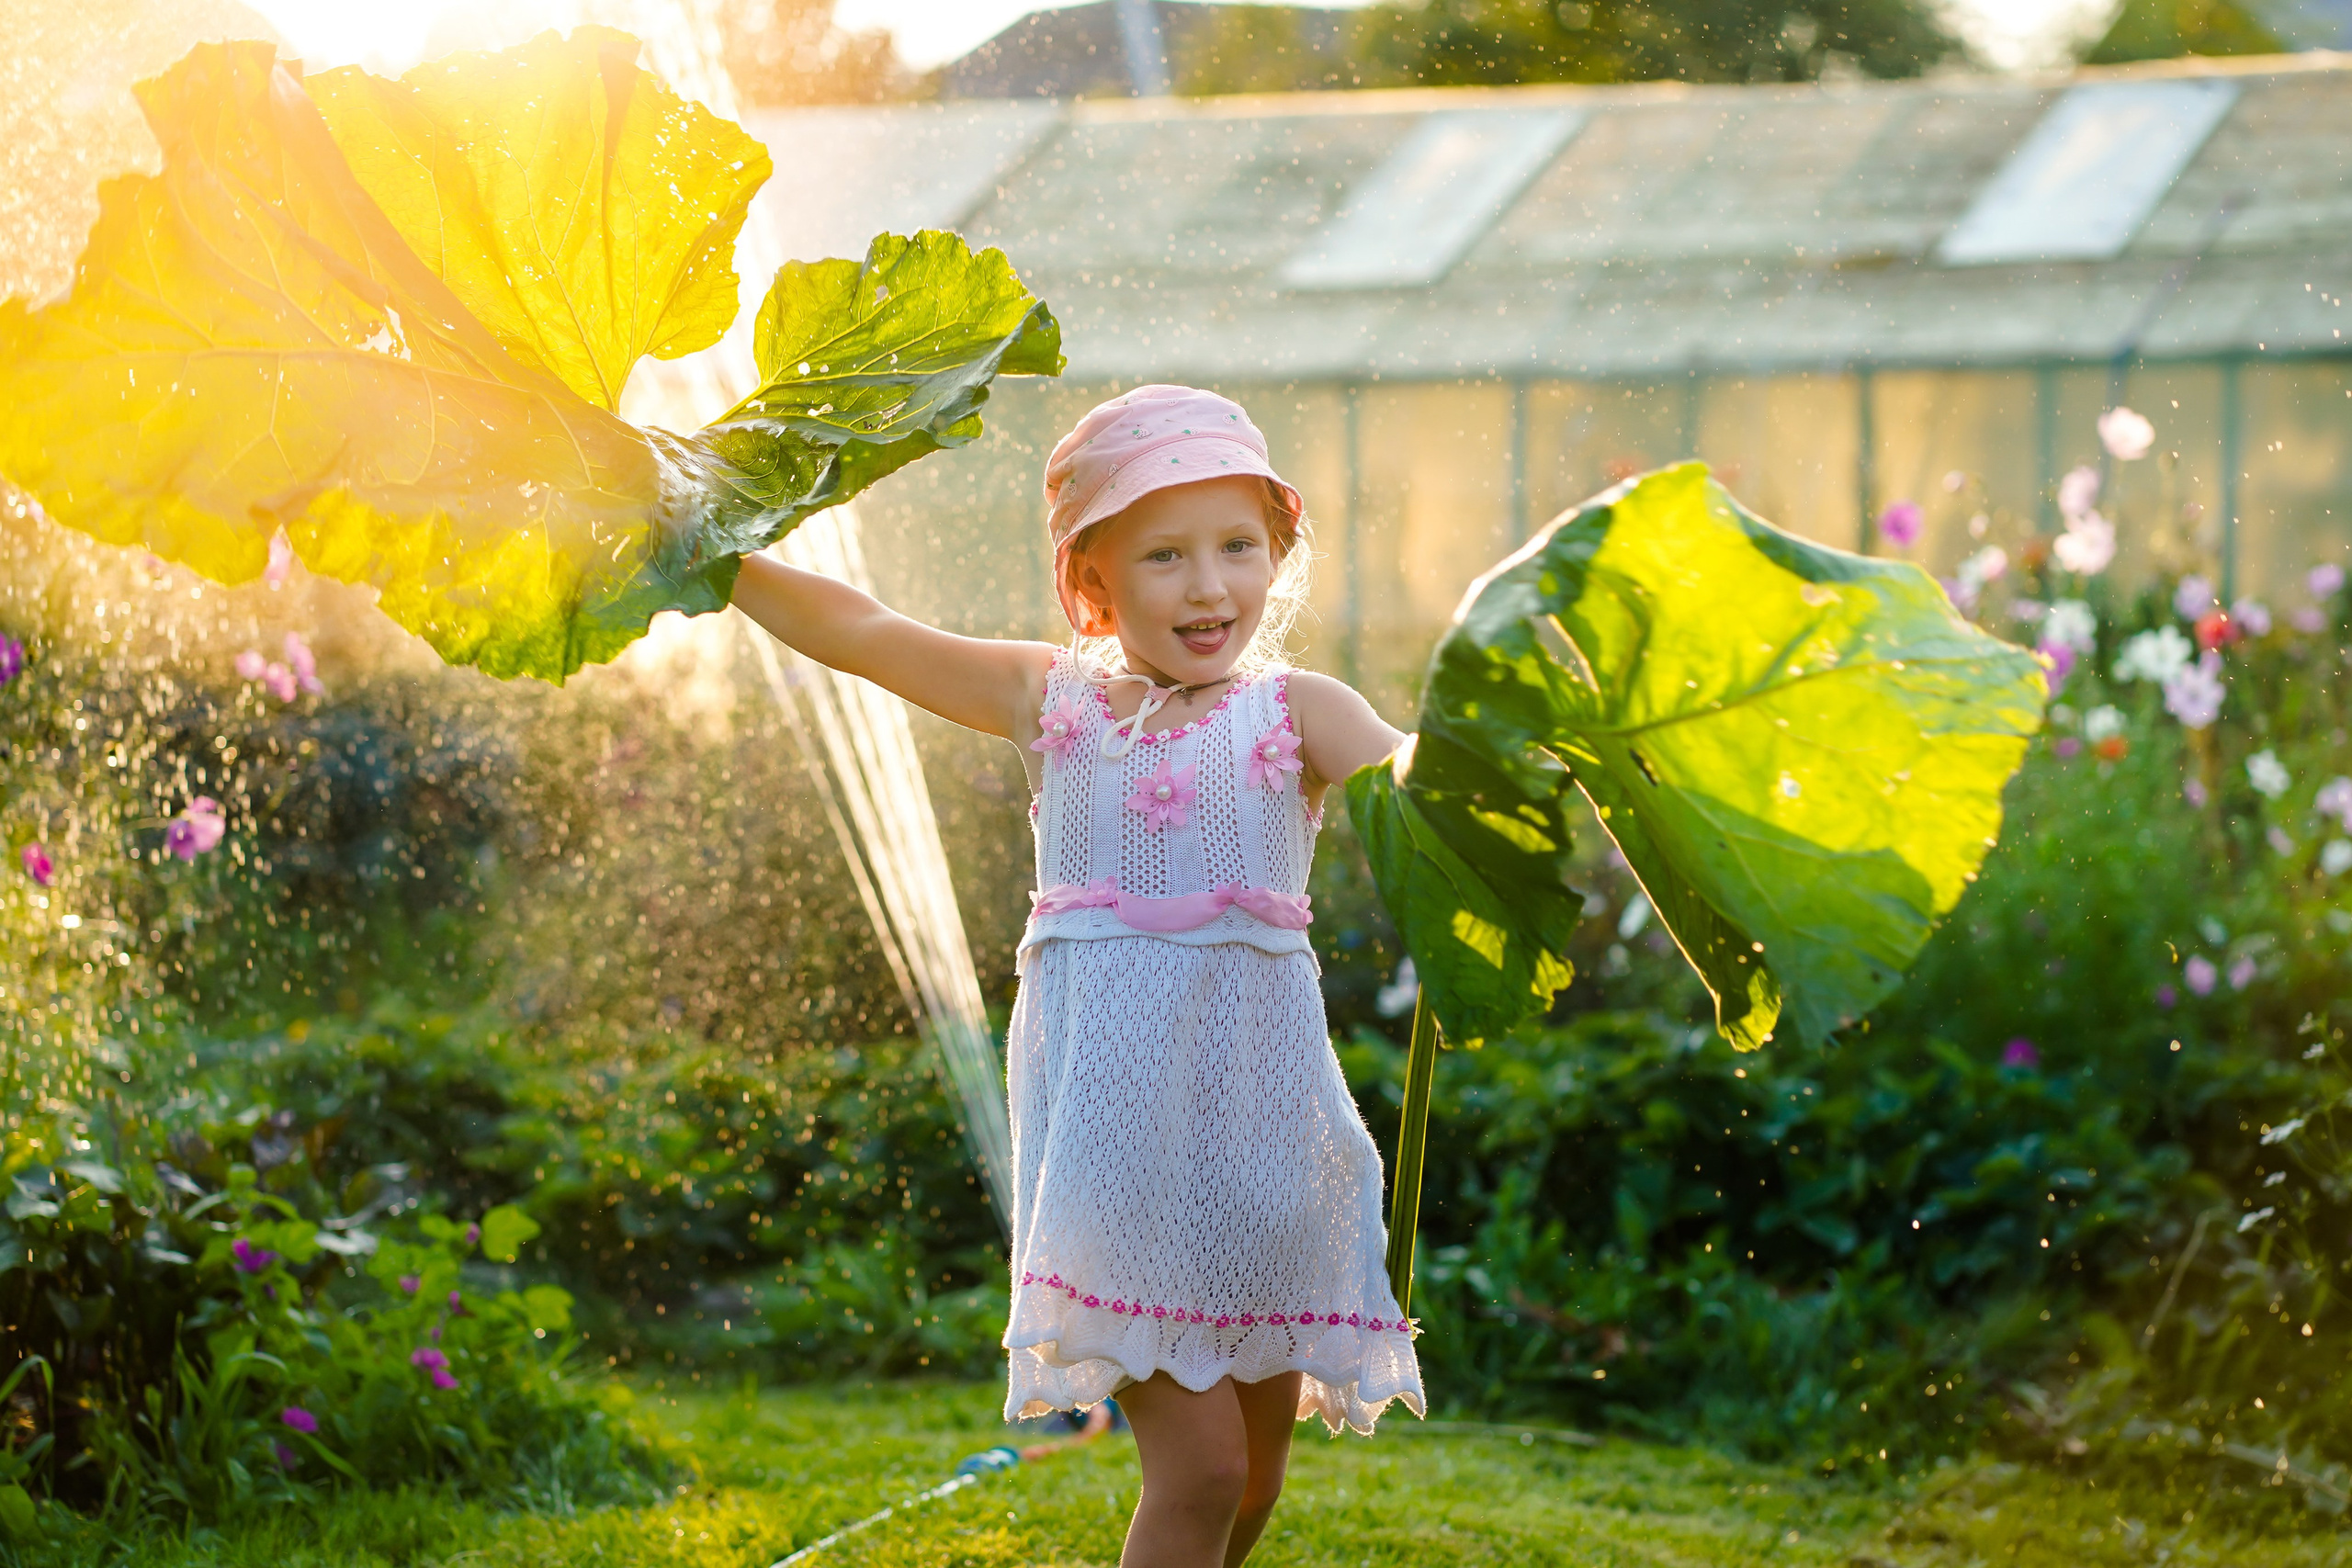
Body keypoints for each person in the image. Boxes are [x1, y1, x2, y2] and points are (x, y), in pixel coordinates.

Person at [733, 384, 1426, 1568]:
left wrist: (1557, 755)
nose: (1210, 587)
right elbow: (863, 629)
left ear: (1276, 552)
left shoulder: (1299, 713)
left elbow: (1431, 792)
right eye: (1165, 555)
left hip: (1260, 1142)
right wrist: (714, 559)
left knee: (1255, 1470)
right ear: (1094, 580)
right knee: (1199, 1469)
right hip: (1116, 1152)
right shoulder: (1051, 703)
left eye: (1237, 548)